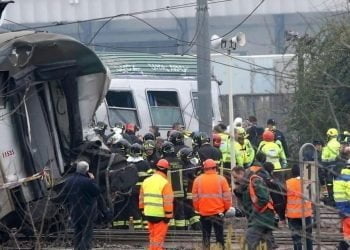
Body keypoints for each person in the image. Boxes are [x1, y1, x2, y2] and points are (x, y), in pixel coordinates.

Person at [232, 164, 275, 250]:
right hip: (262, 217)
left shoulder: (255, 180)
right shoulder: (245, 185)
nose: (235, 180)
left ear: (241, 173)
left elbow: (263, 199)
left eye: (235, 177)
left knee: (249, 241)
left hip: (261, 217)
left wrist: (254, 213)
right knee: (266, 244)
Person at [192, 159, 232, 250]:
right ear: (215, 167)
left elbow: (195, 198)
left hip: (204, 213)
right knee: (219, 236)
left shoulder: (198, 180)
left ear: (204, 168)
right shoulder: (221, 179)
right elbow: (227, 197)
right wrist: (226, 209)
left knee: (206, 237)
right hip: (218, 213)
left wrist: (198, 209)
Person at [62, 161, 100, 250]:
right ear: (87, 171)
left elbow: (65, 196)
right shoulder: (88, 182)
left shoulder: (69, 181)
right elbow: (97, 192)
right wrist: (93, 180)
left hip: (74, 211)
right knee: (86, 234)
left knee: (77, 232)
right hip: (87, 212)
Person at [139, 159, 174, 250]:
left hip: (148, 213)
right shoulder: (165, 183)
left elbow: (141, 198)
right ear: (166, 170)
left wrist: (142, 209)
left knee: (152, 235)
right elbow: (168, 201)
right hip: (160, 215)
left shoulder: (146, 181)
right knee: (158, 238)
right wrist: (168, 215)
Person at [286, 164, 313, 250]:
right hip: (306, 214)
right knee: (308, 237)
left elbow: (284, 199)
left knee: (296, 238)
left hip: (292, 215)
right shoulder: (308, 182)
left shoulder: (287, 183)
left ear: (292, 173)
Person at [127, 143, 153, 229]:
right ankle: (146, 227)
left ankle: (137, 228)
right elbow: (151, 176)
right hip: (143, 191)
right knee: (144, 208)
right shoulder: (145, 163)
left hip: (131, 191)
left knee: (134, 209)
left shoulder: (127, 163)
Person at [161, 141, 186, 229]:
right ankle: (182, 232)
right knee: (180, 213)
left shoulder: (163, 162)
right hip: (180, 192)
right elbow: (184, 176)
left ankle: (171, 231)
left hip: (167, 193)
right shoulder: (180, 161)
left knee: (169, 212)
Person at [177, 147, 201, 230]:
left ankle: (196, 228)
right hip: (194, 194)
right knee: (193, 213)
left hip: (189, 195)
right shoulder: (195, 165)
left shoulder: (188, 168)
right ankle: (196, 228)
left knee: (191, 213)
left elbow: (185, 180)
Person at [322, 128, 341, 205]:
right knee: (339, 184)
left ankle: (331, 201)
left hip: (330, 168)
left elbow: (324, 158)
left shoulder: (328, 145)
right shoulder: (339, 144)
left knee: (330, 184)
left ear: (329, 136)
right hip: (339, 168)